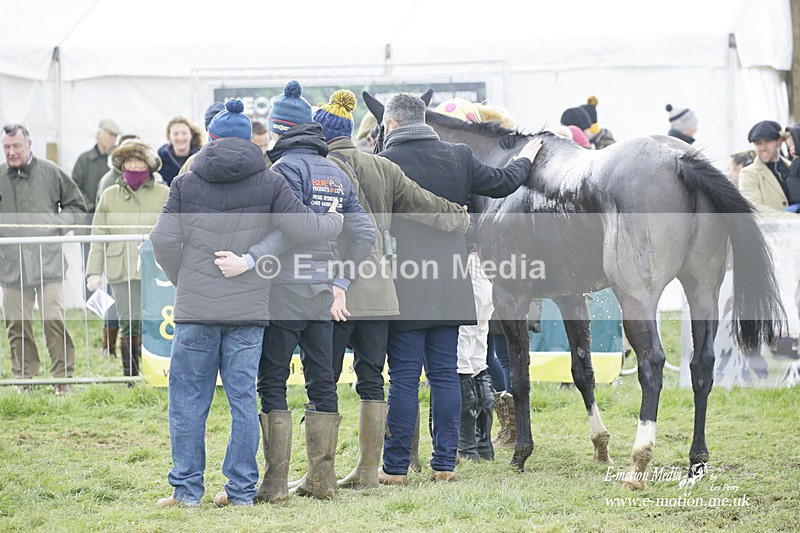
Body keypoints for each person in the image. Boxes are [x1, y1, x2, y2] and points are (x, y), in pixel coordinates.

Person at [150, 98, 344, 508]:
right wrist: (335, 220)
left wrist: (185, 279)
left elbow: (162, 240)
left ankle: (186, 491)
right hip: (248, 310)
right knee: (242, 400)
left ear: (212, 138)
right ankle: (239, 491)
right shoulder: (270, 180)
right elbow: (303, 228)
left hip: (196, 311)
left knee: (187, 401)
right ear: (251, 141)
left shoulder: (185, 181)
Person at [375, 93, 542, 484]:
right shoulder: (459, 157)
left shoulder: (384, 164)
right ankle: (444, 464)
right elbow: (504, 183)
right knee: (446, 376)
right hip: (451, 282)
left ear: (393, 124)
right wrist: (526, 157)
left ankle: (396, 468)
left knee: (403, 378)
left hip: (405, 285)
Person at [312, 89, 470, 488]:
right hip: (381, 288)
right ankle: (434, 465)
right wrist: (462, 219)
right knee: (427, 376)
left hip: (329, 287)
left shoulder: (316, 167)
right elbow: (427, 205)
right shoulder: (383, 168)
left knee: (353, 377)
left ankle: (351, 472)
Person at [245, 80, 374, 501]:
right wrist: (341, 283)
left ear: (281, 129)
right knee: (323, 382)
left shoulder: (281, 170)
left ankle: (276, 482)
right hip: (321, 292)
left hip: (282, 289)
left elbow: (287, 229)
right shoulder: (336, 171)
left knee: (273, 380)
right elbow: (366, 232)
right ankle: (323, 481)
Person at [0, 124, 87, 395]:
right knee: (17, 323)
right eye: (6, 147)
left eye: (16, 146)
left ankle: (63, 378)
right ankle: (24, 378)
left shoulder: (50, 172)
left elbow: (77, 206)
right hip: (12, 265)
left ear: (28, 144)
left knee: (53, 319)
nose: (11, 152)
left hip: (48, 262)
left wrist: (54, 226)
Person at [86, 139, 169, 379]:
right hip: (120, 269)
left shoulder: (164, 193)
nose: (133, 166)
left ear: (149, 164)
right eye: (129, 161)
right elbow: (98, 235)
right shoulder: (110, 195)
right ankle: (130, 376)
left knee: (154, 322)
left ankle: (157, 374)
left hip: (156, 271)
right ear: (121, 165)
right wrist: (94, 273)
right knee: (128, 321)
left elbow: (174, 230)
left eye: (139, 160)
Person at [738, 120, 797, 218]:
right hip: (773, 232)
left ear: (779, 142)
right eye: (758, 143)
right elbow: (754, 208)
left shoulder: (793, 167)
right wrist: (794, 218)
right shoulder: (748, 173)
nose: (762, 148)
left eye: (767, 141)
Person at [72, 119, 121, 215]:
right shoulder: (84, 160)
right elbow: (75, 187)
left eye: (115, 136)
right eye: (110, 135)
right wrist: (90, 207)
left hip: (110, 214)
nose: (113, 139)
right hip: (86, 216)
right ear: (98, 135)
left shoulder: (116, 162)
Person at [157, 115, 204, 185]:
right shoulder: (160, 159)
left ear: (191, 135)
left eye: (184, 133)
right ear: (169, 136)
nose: (180, 138)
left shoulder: (202, 157)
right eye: (175, 134)